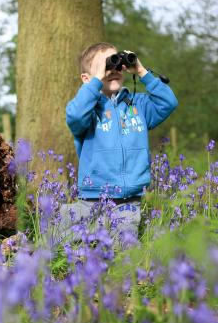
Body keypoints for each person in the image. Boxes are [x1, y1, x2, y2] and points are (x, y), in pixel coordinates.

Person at [61, 42, 178, 241]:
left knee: (122, 250)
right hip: (90, 199)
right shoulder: (89, 110)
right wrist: (97, 80)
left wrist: (141, 71)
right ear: (87, 78)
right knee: (60, 241)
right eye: (106, 66)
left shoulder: (137, 104)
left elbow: (168, 103)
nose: (113, 70)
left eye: (116, 63)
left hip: (127, 202)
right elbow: (74, 115)